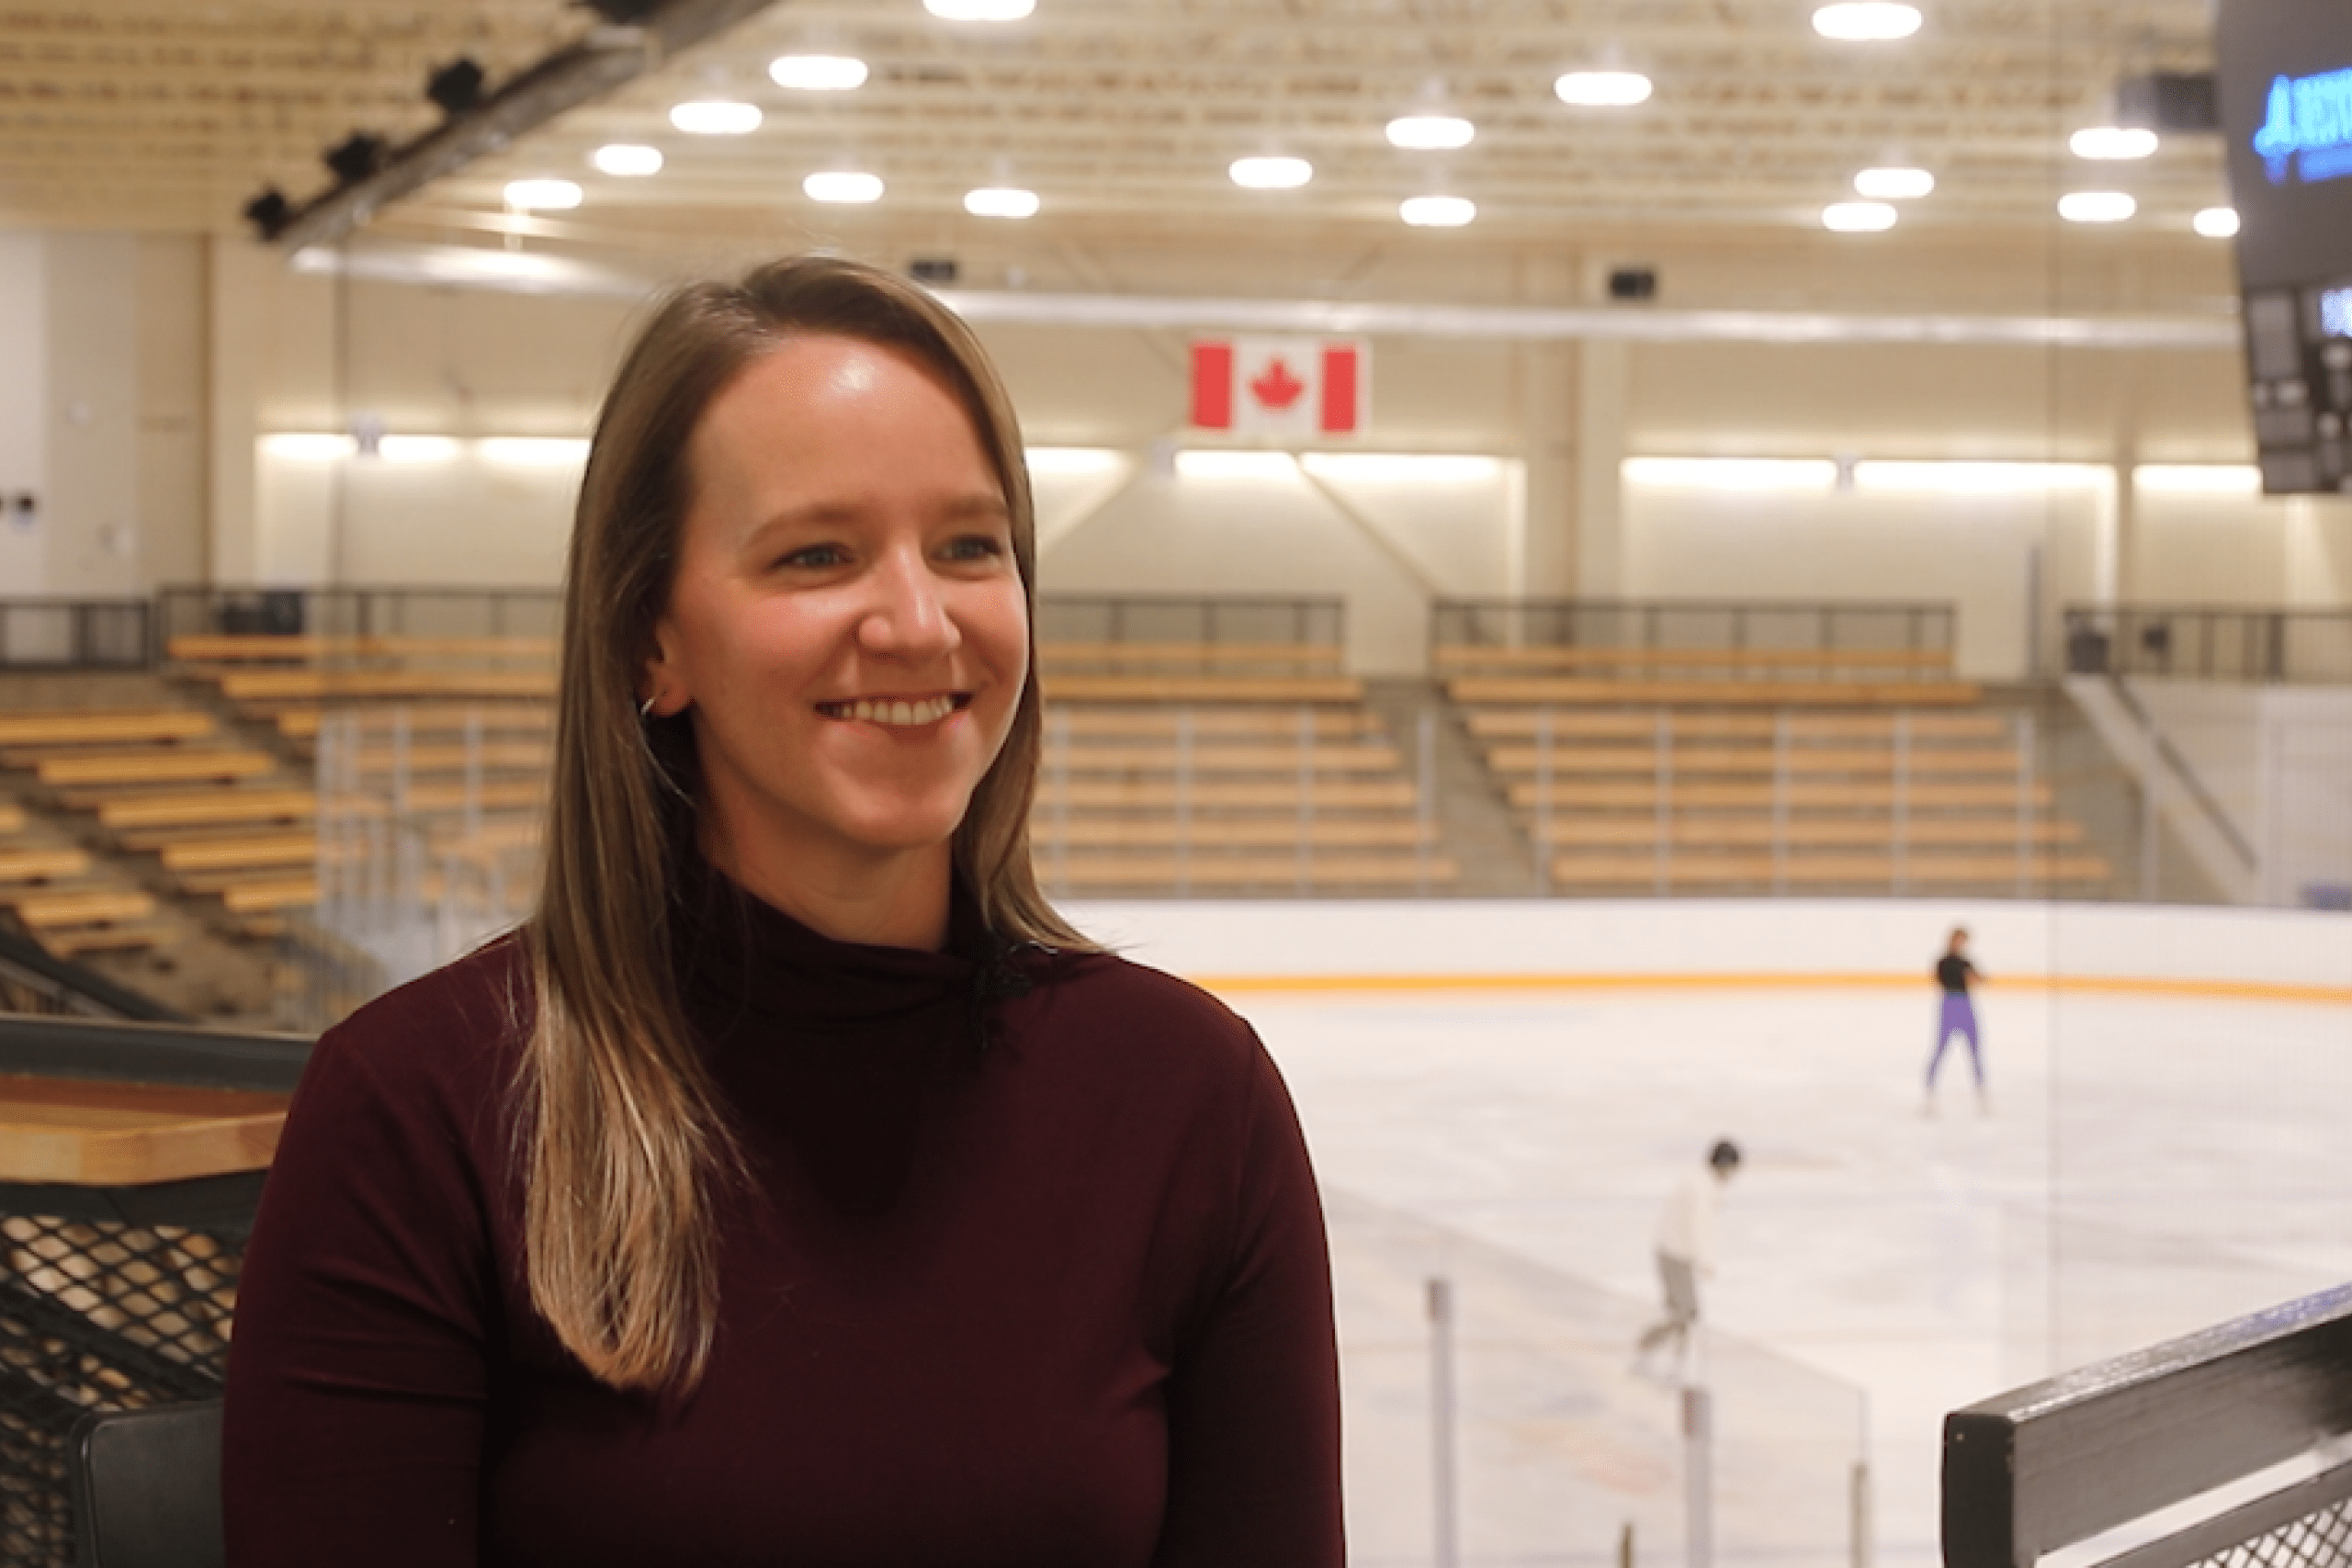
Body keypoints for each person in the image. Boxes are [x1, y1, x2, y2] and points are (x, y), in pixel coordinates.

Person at [221, 255, 1343, 1567]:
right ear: (653, 641)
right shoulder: (426, 1106)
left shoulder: (1187, 1096)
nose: (921, 622)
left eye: (971, 546)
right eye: (819, 553)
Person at [1634, 1137, 1740, 1378]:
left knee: (1684, 1313)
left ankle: (1676, 1360)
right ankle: (1651, 1347)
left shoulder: (1698, 1180)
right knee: (1686, 1312)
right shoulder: (1702, 1188)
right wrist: (1707, 1262)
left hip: (1672, 1250)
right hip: (1675, 1254)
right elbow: (1699, 1225)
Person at [1926, 925, 1987, 1113]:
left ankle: (1981, 1093)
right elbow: (1939, 979)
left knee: (1975, 1050)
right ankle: (1930, 1092)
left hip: (1965, 1005)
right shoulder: (1943, 961)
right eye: (1958, 939)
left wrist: (1974, 979)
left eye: (1963, 940)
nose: (1960, 943)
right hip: (1949, 1005)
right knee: (1941, 1048)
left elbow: (1979, 979)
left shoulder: (1965, 961)